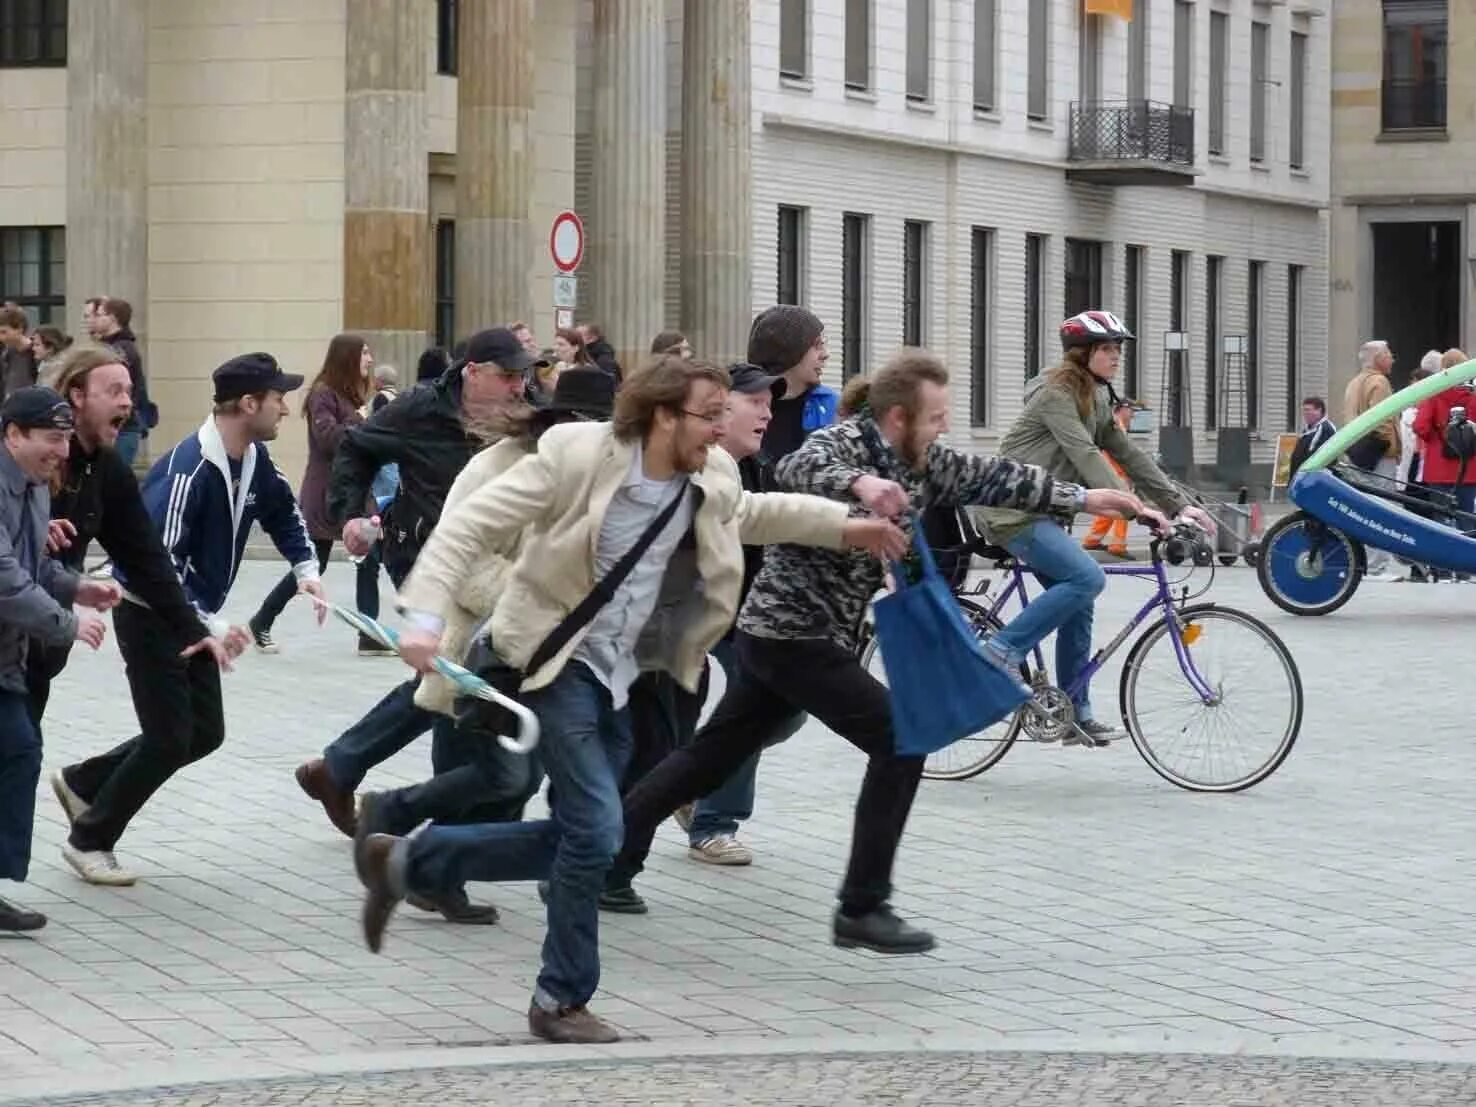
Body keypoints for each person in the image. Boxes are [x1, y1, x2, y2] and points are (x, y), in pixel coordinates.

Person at [357, 356, 908, 1044]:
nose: (718, 429)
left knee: (583, 836)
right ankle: (560, 997)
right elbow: (467, 527)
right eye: (708, 415)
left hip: (621, 675)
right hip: (548, 662)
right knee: (595, 830)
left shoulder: (709, 474)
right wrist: (427, 617)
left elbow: (755, 514)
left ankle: (412, 860)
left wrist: (848, 525)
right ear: (662, 415)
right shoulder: (577, 456)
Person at [608, 350, 1137, 961]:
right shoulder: (843, 443)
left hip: (797, 639)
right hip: (790, 634)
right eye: (935, 416)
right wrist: (860, 484)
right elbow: (801, 467)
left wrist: (1090, 499)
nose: (942, 427)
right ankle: (862, 906)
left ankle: (603, 862)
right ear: (895, 416)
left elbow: (999, 478)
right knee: (901, 741)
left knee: (709, 757)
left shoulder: (923, 462)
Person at [352, 368, 619, 925]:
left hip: (526, 654)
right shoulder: (503, 467)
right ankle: (393, 815)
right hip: (473, 647)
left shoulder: (587, 475)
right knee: (507, 776)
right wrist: (546, 595)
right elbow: (466, 562)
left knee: (509, 778)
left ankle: (433, 872)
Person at [53, 353, 325, 885]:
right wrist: (208, 627)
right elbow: (156, 563)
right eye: (279, 398)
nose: (286, 409)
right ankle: (90, 839)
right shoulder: (188, 470)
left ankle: (85, 781)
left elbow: (284, 512)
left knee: (205, 733)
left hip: (190, 618)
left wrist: (307, 569)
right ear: (249, 404)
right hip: (149, 613)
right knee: (168, 738)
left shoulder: (253, 461)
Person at [294, 328, 535, 841]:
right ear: (473, 372)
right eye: (508, 377)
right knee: (454, 674)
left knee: (451, 678)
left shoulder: (529, 409)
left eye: (523, 377)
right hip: (428, 559)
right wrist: (351, 517)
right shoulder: (418, 410)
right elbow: (355, 447)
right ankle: (445, 836)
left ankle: (339, 768)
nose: (519, 387)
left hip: (496, 565)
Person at [600, 363, 800, 912]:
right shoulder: (691, 466)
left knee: (668, 751)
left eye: (768, 404)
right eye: (750, 403)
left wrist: (841, 529)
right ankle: (601, 864)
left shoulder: (746, 470)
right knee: (647, 755)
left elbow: (759, 520)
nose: (765, 413)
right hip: (643, 638)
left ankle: (611, 861)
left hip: (691, 638)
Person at [978, 312, 1209, 745]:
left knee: (1079, 598)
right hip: (1010, 510)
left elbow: (1129, 453)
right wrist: (1136, 510)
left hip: (1043, 513)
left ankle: (1073, 712)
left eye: (1119, 350)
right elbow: (1086, 455)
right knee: (1087, 577)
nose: (1116, 357)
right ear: (1083, 354)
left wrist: (1180, 506)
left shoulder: (1096, 397)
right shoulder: (1057, 393)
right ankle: (1002, 650)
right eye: (1107, 349)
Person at [27, 345, 229, 729]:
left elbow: (146, 558)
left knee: (21, 752)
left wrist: (192, 629)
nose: (127, 403)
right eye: (115, 391)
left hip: (43, 642)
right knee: (19, 752)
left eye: (130, 392)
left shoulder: (106, 468)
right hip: (13, 630)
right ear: (78, 396)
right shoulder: (32, 456)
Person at [0, 388, 119, 932]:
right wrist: (68, 623)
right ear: (14, 434)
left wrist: (77, 588)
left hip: (6, 658)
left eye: (67, 438)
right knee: (18, 749)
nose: (63, 451)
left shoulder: (33, 489)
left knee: (19, 750)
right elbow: (5, 583)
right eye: (52, 438)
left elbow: (33, 567)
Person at [246, 334, 380, 655]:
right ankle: (261, 621)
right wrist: (361, 421)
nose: (370, 360)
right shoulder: (323, 394)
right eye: (364, 353)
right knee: (312, 562)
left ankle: (369, 634)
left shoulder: (352, 395)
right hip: (327, 491)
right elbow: (328, 438)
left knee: (369, 556)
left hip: (355, 489)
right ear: (346, 357)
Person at [1343, 340, 1402, 581]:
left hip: (1357, 452)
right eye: (1389, 355)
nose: (1392, 359)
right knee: (1382, 508)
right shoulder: (1379, 382)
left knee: (1364, 506)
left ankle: (1365, 562)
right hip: (1378, 454)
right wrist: (1391, 446)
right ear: (1378, 359)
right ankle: (1377, 566)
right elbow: (1381, 419)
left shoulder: (1354, 382)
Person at [92, 298, 154, 465]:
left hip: (122, 428)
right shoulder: (111, 347)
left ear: (112, 318)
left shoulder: (121, 350)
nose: (94, 320)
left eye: (99, 315)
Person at [1414, 348, 1476, 517]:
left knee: (1440, 520)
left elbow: (1420, 426)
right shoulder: (1474, 398)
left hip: (1438, 467)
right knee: (1467, 519)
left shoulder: (1434, 396)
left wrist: (1435, 439)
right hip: (1469, 470)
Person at [1080, 400, 1140, 559]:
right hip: (1117, 473)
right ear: (1123, 409)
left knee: (1110, 506)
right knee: (1125, 508)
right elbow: (1118, 454)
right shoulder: (1117, 426)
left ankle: (1092, 540)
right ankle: (1118, 546)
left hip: (1111, 472)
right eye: (1132, 410)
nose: (1133, 415)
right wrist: (1126, 475)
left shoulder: (1117, 424)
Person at [1288, 396, 1338, 479]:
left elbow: (1316, 456)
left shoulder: (1325, 428)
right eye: (1304, 410)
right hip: (1300, 477)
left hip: (1313, 479)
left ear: (1319, 410)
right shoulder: (1308, 430)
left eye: (1308, 410)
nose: (1305, 413)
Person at [0, 305, 35, 397]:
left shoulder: (35, 354)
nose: (1, 338)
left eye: (4, 332)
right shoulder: (6, 355)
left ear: (20, 328)